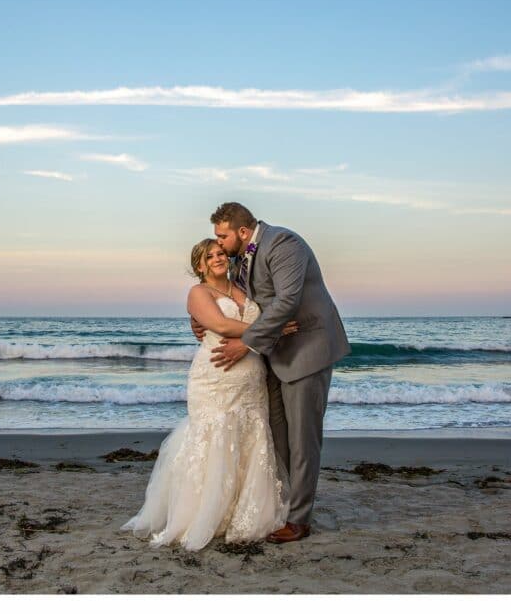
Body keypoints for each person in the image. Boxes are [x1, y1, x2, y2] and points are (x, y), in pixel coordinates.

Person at [121, 238, 296, 551]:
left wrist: (272, 326)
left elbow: (261, 315)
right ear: (199, 267)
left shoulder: (244, 288)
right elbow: (219, 324)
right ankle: (205, 514)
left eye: (219, 253)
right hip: (216, 376)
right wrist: (274, 328)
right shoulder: (198, 293)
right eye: (209, 256)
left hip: (251, 379)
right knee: (214, 440)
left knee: (250, 440)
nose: (217, 257)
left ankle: (244, 511)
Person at [198, 202, 351, 544]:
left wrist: (246, 343)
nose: (219, 244)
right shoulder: (240, 258)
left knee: (303, 440)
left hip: (306, 350)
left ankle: (299, 520)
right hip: (273, 355)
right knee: (275, 437)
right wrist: (202, 319)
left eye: (222, 236)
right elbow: (230, 297)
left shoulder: (284, 244)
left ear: (241, 231)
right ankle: (281, 507)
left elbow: (286, 301)